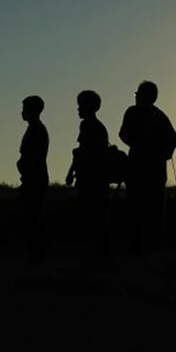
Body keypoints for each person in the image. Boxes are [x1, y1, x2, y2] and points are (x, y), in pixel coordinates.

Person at [119, 81, 176, 254]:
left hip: (143, 168)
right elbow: (174, 141)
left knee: (138, 209)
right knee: (150, 210)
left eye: (138, 93)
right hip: (151, 169)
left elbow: (123, 134)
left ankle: (141, 246)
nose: (136, 96)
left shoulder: (134, 113)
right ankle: (149, 245)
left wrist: (142, 144)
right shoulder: (159, 116)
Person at [66, 90, 110, 253]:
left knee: (92, 215)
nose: (78, 110)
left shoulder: (87, 125)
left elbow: (81, 151)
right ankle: (101, 250)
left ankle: (96, 251)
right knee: (99, 215)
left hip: (90, 178)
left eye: (80, 106)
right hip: (99, 178)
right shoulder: (99, 127)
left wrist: (71, 172)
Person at [17, 95, 50, 262]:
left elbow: (35, 157)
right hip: (32, 178)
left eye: (25, 108)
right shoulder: (35, 129)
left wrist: (25, 169)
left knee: (32, 219)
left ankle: (36, 256)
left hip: (34, 180)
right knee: (30, 218)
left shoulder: (37, 130)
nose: (22, 112)